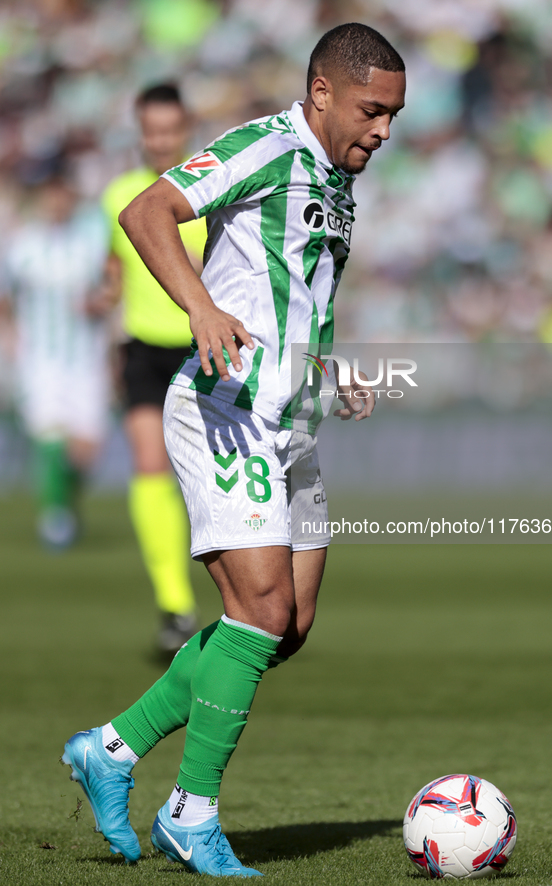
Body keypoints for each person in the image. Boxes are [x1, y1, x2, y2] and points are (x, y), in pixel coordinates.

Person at [61, 23, 406, 876]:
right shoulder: (265, 146)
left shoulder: (336, 177)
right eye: (372, 111)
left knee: (285, 628)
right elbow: (147, 212)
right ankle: (192, 812)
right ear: (322, 91)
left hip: (290, 417)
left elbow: (289, 288)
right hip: (224, 411)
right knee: (259, 612)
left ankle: (110, 747)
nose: (383, 132)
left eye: (395, 116)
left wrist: (332, 369)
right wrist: (198, 311)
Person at [101, 84, 208, 653]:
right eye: (152, 130)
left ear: (186, 128)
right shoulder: (119, 194)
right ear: (140, 130)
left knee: (210, 480)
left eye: (171, 129)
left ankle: (246, 604)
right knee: (148, 463)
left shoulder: (208, 193)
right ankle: (175, 603)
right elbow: (114, 269)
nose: (162, 140)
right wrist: (103, 296)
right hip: (143, 348)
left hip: (202, 348)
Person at [1, 168, 111, 548]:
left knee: (85, 450)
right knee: (49, 433)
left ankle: (65, 501)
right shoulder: (23, 244)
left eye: (62, 194)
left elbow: (112, 289)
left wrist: (99, 303)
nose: (56, 202)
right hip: (40, 358)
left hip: (86, 357)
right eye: (50, 195)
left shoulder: (91, 241)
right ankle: (56, 520)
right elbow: (6, 296)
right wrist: (11, 336)